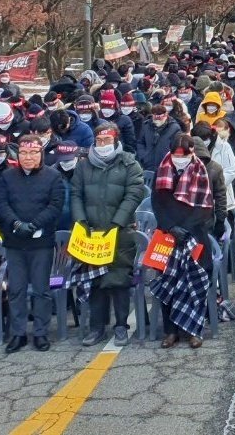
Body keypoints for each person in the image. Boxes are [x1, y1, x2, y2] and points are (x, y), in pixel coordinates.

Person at [72, 123, 146, 346]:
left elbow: (134, 194)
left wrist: (117, 222)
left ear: (116, 140)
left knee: (118, 280)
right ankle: (97, 328)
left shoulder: (129, 163)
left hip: (120, 232)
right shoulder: (83, 167)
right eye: (99, 140)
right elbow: (75, 194)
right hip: (91, 233)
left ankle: (121, 325)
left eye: (107, 140)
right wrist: (81, 221)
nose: (102, 144)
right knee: (94, 281)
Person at [0, 134, 66, 353]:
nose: (28, 157)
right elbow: (1, 204)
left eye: (33, 152)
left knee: (41, 290)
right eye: (24, 153)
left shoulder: (53, 177)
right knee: (16, 289)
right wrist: (17, 224)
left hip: (42, 242)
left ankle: (40, 332)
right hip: (14, 241)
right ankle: (18, 333)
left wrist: (35, 225)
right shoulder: (7, 176)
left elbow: (55, 206)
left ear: (41, 154)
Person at [151, 134, 216, 349]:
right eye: (176, 155)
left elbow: (205, 207)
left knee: (195, 281)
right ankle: (170, 331)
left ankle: (193, 330)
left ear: (191, 154)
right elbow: (156, 202)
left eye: (184, 155)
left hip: (194, 232)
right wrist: (170, 227)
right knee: (167, 280)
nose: (180, 159)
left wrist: (185, 228)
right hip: (168, 233)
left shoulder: (201, 171)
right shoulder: (162, 169)